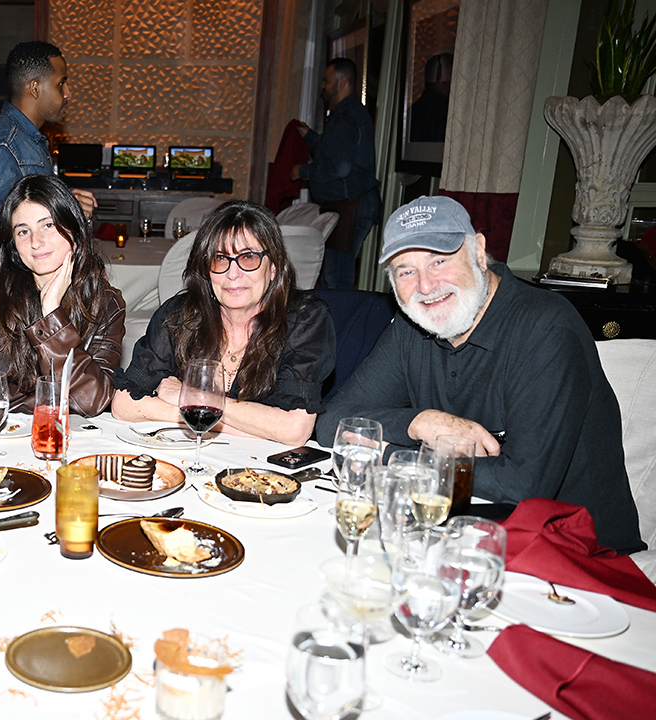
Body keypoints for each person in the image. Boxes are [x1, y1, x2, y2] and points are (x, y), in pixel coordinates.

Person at [317, 197, 644, 554]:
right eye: (405, 271)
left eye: (439, 260)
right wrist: (419, 423)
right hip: (467, 533)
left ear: (479, 251)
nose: (425, 286)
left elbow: (523, 485)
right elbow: (332, 421)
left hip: (579, 558)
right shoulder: (413, 327)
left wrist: (397, 456)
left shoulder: (545, 327)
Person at [112, 201, 336, 446]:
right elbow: (124, 404)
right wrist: (235, 424)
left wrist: (194, 399)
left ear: (273, 267)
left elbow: (294, 429)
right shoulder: (180, 316)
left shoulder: (304, 320)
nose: (233, 273)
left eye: (248, 257)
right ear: (207, 271)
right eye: (220, 259)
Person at [0, 174, 124, 416]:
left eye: (48, 225)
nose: (36, 242)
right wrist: (45, 404)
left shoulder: (105, 303)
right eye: (23, 231)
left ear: (74, 227)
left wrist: (53, 315)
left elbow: (92, 402)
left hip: (63, 443)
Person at [0, 40, 96, 274]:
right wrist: (57, 209)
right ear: (35, 88)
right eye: (61, 83)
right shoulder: (3, 142)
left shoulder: (28, 139)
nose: (68, 93)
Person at [292, 58, 381, 289]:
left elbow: (339, 167)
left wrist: (302, 170)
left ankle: (341, 325)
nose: (322, 86)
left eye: (326, 80)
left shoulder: (345, 116)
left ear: (342, 82)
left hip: (350, 206)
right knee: (332, 274)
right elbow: (335, 153)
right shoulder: (347, 114)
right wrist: (309, 136)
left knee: (337, 277)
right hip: (349, 204)